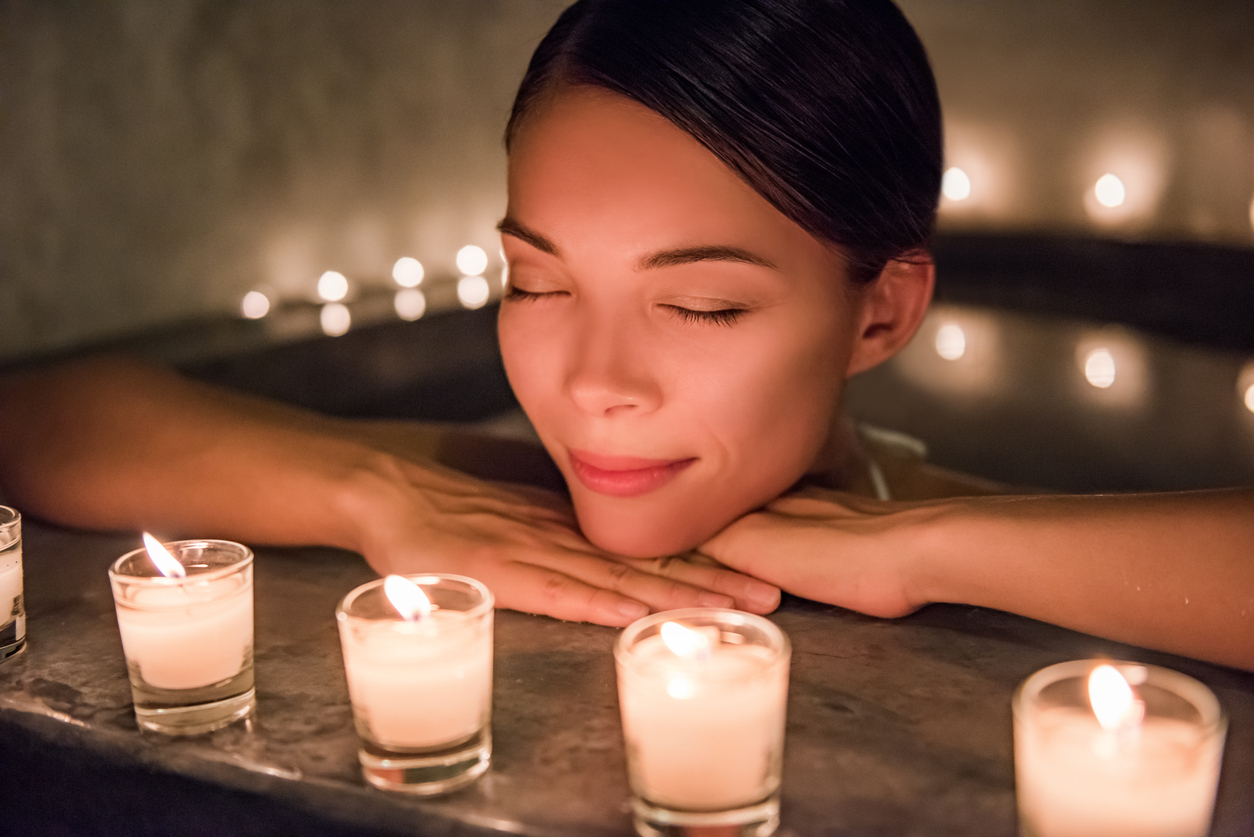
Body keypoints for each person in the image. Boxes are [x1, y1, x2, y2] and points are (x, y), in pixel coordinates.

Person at [1, 0, 1251, 670]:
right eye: (537, 283)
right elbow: (40, 418)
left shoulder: (927, 518)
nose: (593, 385)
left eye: (701, 304)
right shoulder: (499, 495)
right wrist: (371, 493)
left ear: (880, 311)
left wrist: (926, 547)